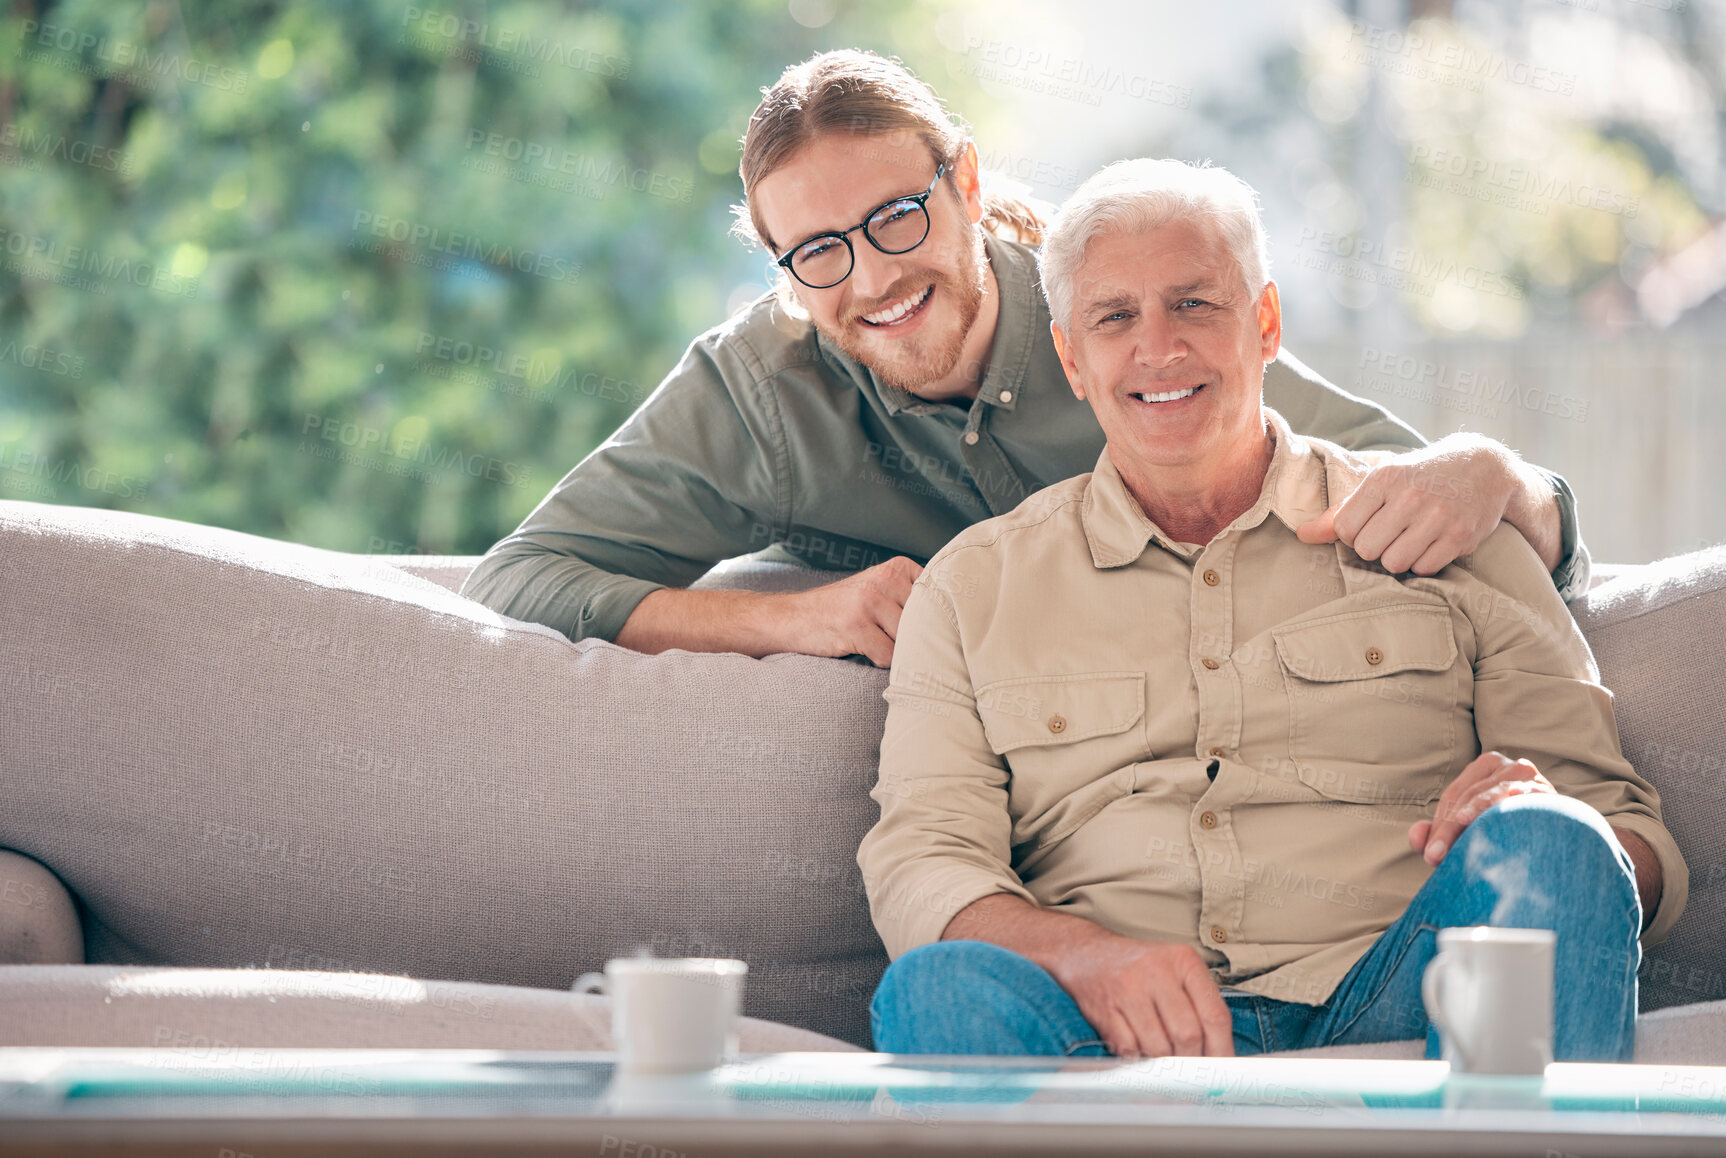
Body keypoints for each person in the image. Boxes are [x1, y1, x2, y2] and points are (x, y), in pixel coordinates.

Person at [856, 157, 1685, 1061]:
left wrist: (1553, 818)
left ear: (1266, 322)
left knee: (1559, 844)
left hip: (1406, 1012)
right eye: (1115, 317)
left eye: (1196, 304)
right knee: (939, 990)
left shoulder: (1448, 528)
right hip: (1111, 1048)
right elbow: (922, 864)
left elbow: (1632, 840)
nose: (1159, 347)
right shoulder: (972, 587)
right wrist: (1085, 958)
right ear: (1072, 359)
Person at [461, 49, 1588, 668]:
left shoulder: (1120, 322)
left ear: (963, 186)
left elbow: (1431, 493)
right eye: (813, 252)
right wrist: (791, 618)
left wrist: (1494, 471)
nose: (870, 280)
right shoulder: (762, 389)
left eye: (897, 216)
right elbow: (518, 581)